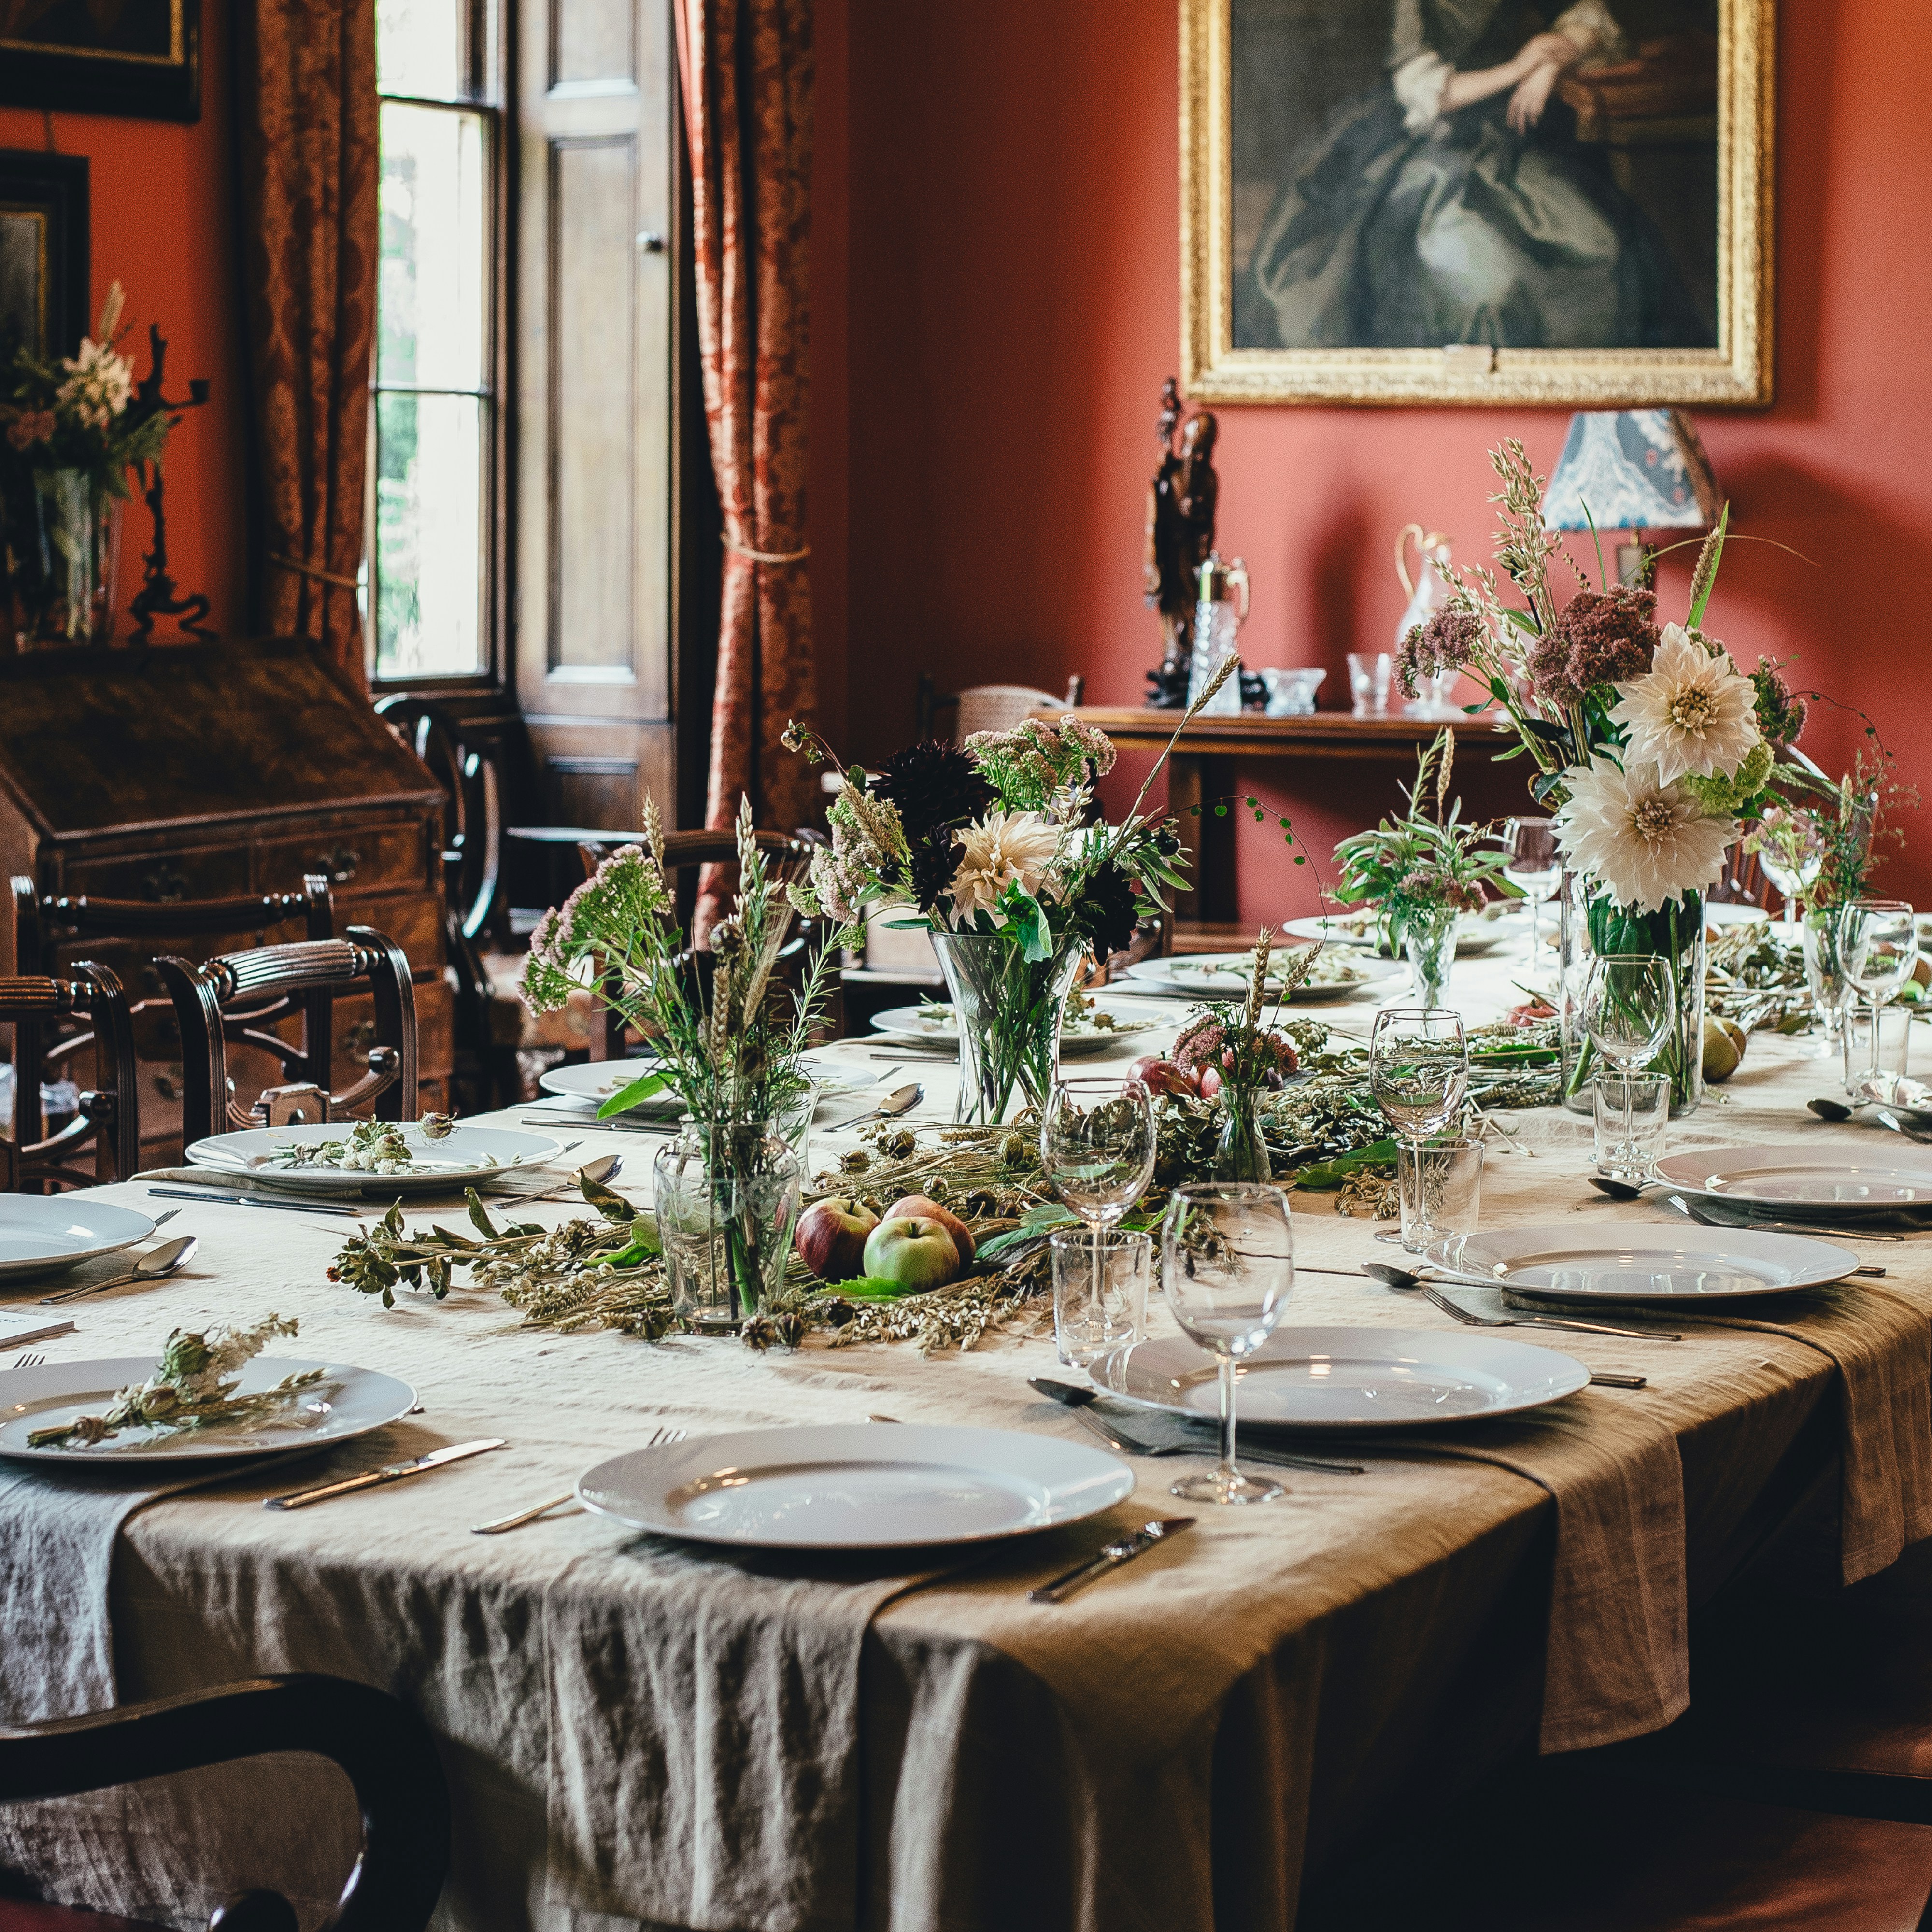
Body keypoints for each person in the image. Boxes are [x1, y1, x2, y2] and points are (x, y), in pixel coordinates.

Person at [1237, 0, 1711, 351]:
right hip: (1416, 139)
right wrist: (1521, 68)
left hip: (1506, 135)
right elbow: (1425, 89)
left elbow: (1590, 19)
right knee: (1482, 273)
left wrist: (1552, 62)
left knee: (1599, 247)